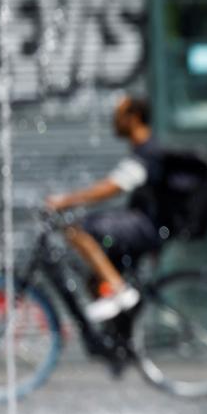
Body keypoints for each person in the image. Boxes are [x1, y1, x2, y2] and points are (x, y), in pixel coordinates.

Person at [45, 95, 165, 322]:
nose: (114, 121)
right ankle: (121, 336)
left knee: (76, 229)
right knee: (93, 281)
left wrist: (66, 201)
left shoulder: (147, 150)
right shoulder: (143, 148)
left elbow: (113, 186)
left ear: (134, 117)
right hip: (144, 225)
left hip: (145, 225)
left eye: (119, 115)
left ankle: (119, 289)